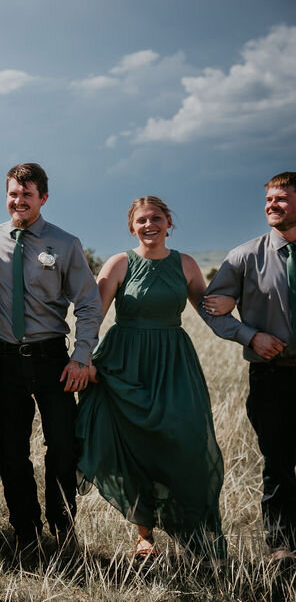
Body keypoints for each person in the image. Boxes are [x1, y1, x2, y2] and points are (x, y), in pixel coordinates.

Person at [76, 196, 225, 561]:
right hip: (125, 364)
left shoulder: (186, 264)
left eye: (156, 218)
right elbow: (94, 315)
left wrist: (246, 327)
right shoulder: (119, 263)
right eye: (141, 220)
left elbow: (211, 314)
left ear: (168, 221)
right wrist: (83, 359)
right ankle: (145, 536)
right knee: (138, 447)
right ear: (132, 227)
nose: (149, 225)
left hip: (174, 364)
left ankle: (195, 534)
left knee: (188, 445)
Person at [0, 162, 101, 553]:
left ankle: (64, 526)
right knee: (11, 450)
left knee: (63, 447)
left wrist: (81, 356)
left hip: (54, 358)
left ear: (43, 198)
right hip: (3, 359)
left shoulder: (65, 244)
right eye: (13, 194)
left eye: (27, 194)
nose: (18, 201)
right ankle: (26, 530)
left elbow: (88, 303)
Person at [201, 171, 296, 562]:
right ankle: (281, 547)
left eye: (282, 199)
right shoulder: (244, 256)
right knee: (277, 463)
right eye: (269, 199)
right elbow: (212, 308)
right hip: (271, 376)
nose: (272, 205)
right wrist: (249, 335)